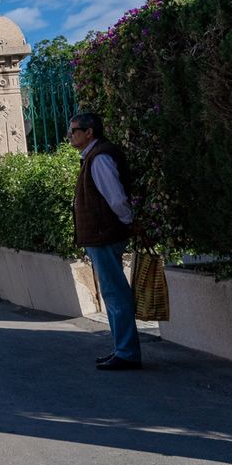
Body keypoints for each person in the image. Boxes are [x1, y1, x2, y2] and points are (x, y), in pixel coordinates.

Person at [68, 112, 142, 371]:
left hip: (104, 234)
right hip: (102, 234)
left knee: (114, 292)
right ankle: (121, 348)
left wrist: (127, 221)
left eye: (75, 130)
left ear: (89, 132)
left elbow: (116, 197)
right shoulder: (92, 156)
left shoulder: (99, 158)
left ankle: (126, 352)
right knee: (112, 292)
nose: (70, 135)